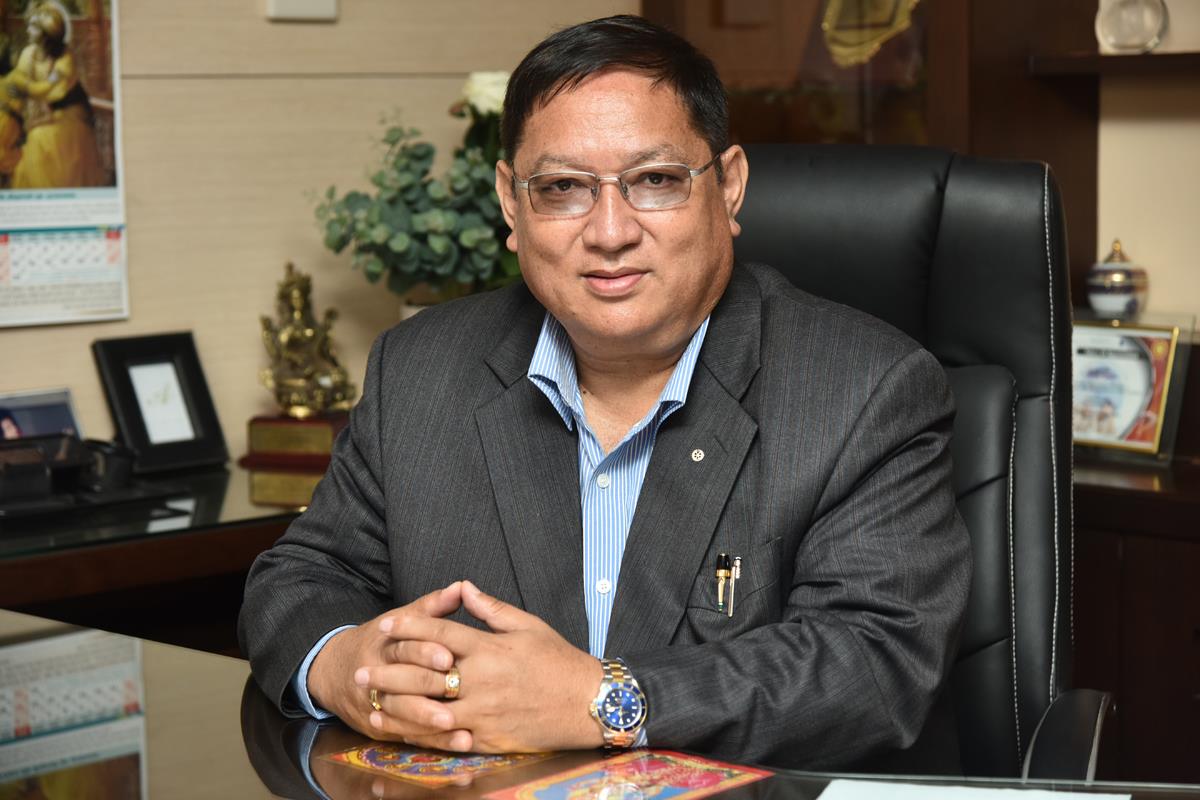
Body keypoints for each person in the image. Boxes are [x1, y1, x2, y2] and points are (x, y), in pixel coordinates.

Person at [240, 15, 970, 770]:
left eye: (655, 181)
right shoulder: (421, 371)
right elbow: (300, 579)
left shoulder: (864, 390)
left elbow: (875, 664)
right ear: (511, 205)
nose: (610, 231)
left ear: (729, 187)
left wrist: (603, 699)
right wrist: (347, 666)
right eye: (563, 188)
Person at [6, 2, 104, 189]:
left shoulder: (65, 58)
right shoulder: (28, 53)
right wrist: (20, 85)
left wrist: (25, 87)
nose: (27, 30)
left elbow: (51, 91)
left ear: (46, 33)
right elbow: (18, 78)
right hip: (41, 113)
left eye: (33, 27)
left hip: (68, 114)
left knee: (40, 139)